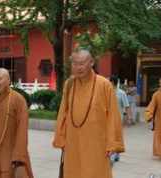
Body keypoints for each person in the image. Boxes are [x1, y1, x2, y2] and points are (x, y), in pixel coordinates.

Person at [53, 49, 124, 178]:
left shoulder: (104, 85)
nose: (78, 67)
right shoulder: (69, 85)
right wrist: (61, 139)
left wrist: (112, 143)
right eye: (74, 64)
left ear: (91, 62)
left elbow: (113, 116)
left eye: (81, 63)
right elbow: (63, 113)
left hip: (97, 144)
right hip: (73, 143)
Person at [109, 76, 132, 164]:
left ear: (113, 82)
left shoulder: (121, 93)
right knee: (111, 136)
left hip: (118, 118)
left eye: (109, 82)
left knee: (117, 136)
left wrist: (129, 118)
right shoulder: (107, 92)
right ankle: (113, 154)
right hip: (108, 118)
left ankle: (115, 154)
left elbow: (126, 106)